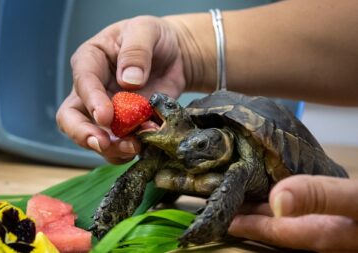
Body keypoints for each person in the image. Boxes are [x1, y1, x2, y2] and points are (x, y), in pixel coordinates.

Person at [56, 0, 358, 251]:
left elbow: (239, 172)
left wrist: (209, 223)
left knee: (238, 171)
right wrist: (184, 45)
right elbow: (144, 169)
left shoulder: (243, 164)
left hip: (280, 178)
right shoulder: (183, 141)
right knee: (143, 168)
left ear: (224, 142)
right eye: (190, 144)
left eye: (200, 146)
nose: (188, 150)